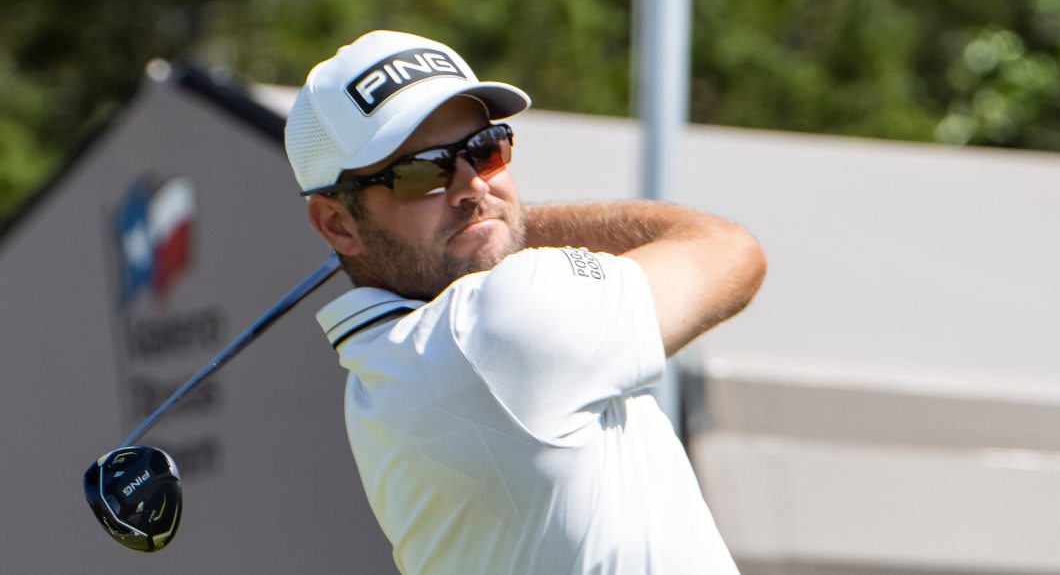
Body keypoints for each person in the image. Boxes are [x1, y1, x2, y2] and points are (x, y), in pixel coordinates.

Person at [284, 30, 766, 575]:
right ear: (336, 223)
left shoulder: (382, 371)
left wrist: (486, 221)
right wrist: (500, 220)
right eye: (423, 172)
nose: (472, 186)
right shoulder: (499, 323)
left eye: (486, 151)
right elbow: (729, 251)